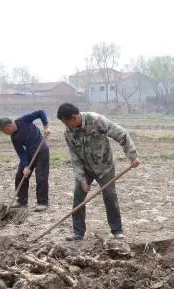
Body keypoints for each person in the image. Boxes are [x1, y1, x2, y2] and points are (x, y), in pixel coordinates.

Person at [56, 103, 140, 241]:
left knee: (109, 195)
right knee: (78, 197)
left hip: (104, 166)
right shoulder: (68, 133)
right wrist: (81, 178)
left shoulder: (96, 120)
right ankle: (78, 232)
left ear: (74, 117)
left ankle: (117, 230)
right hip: (85, 168)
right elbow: (74, 157)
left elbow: (122, 134)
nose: (66, 126)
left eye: (66, 122)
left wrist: (133, 156)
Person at [0, 111, 51, 211]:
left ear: (9, 125)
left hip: (41, 149)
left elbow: (41, 113)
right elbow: (21, 152)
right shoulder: (14, 137)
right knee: (20, 175)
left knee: (41, 176)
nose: (4, 134)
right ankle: (21, 201)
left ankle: (42, 202)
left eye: (4, 131)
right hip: (29, 153)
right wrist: (26, 166)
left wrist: (46, 127)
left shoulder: (23, 120)